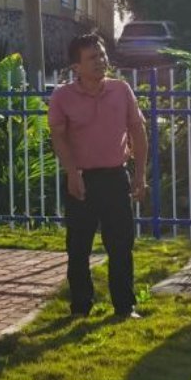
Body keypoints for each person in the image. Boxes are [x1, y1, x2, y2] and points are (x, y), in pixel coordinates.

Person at [47, 33, 148, 319]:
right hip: (82, 179)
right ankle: (80, 306)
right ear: (75, 66)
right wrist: (72, 173)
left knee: (121, 245)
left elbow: (137, 132)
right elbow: (59, 138)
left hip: (115, 177)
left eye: (102, 55)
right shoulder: (62, 97)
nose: (100, 61)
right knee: (78, 247)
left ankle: (124, 306)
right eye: (92, 57)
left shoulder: (120, 90)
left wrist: (140, 175)